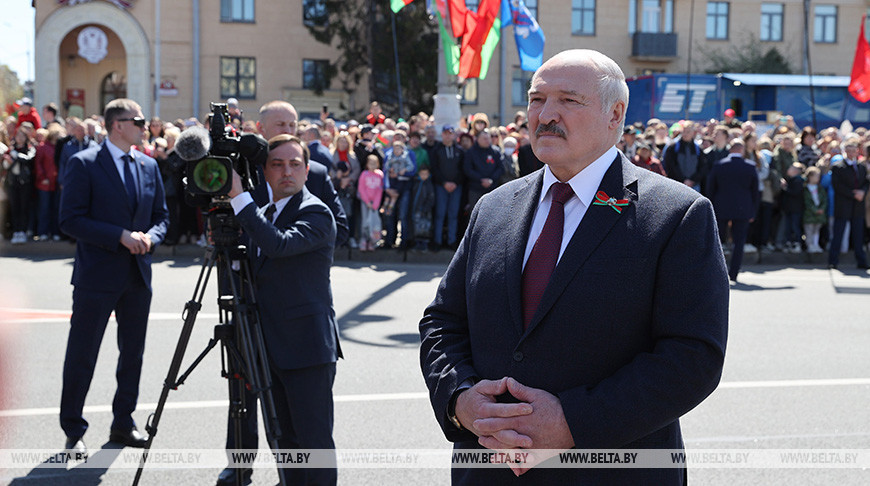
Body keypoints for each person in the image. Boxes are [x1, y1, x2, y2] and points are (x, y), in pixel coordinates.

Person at [419, 49, 728, 484]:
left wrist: (572, 422)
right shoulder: (494, 208)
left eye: (569, 100)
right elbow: (443, 322)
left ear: (615, 113)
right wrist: (460, 399)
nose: (546, 115)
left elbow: (692, 357)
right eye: (537, 99)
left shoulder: (676, 214)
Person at [217, 101, 348, 486]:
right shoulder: (264, 211)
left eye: (295, 164)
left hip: (306, 348)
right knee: (285, 442)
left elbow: (277, 245)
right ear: (265, 171)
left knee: (312, 443)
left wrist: (239, 196)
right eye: (277, 164)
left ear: (307, 171)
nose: (286, 171)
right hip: (267, 345)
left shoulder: (316, 212)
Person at [58, 98, 169, 456]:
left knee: (132, 354)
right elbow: (70, 219)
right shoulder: (84, 163)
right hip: (97, 274)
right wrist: (118, 235)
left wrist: (153, 236)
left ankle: (124, 421)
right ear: (117, 124)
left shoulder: (148, 165)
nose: (144, 125)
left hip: (137, 275)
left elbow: (163, 216)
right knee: (83, 353)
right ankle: (73, 428)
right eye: (137, 120)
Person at [707, 139, 760, 282]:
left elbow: (711, 188)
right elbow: (755, 192)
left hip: (721, 207)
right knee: (739, 241)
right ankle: (734, 272)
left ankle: (716, 271)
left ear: (730, 150)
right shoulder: (750, 167)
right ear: (742, 150)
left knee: (717, 240)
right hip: (743, 208)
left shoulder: (719, 165)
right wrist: (753, 211)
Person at [828, 139, 869, 270]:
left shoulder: (862, 167)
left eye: (854, 150)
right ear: (845, 151)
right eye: (849, 150)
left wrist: (862, 192)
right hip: (843, 204)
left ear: (857, 151)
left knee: (858, 235)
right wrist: (853, 194)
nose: (852, 153)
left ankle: (861, 260)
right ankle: (833, 261)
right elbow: (837, 186)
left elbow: (866, 182)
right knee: (838, 233)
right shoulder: (838, 167)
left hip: (857, 206)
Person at [431, 125, 465, 250]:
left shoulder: (460, 151)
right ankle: (437, 241)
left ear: (454, 135)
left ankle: (452, 241)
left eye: (450, 133)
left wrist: (455, 182)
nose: (448, 135)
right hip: (441, 186)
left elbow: (463, 169)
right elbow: (434, 169)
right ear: (442, 135)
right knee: (440, 214)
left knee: (453, 214)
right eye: (445, 133)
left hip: (456, 187)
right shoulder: (436, 150)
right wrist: (444, 182)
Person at [2, 129, 36, 244]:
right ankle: (16, 231)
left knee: (24, 207)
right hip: (12, 182)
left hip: (25, 182)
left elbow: (28, 159)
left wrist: (17, 156)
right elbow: (6, 165)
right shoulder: (10, 150)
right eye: (18, 136)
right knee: (14, 207)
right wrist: (8, 161)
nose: (20, 138)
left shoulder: (29, 149)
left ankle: (23, 231)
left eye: (22, 136)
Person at [663, 120, 703, 191]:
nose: (685, 134)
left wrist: (692, 180)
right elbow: (671, 165)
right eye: (684, 131)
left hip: (694, 185)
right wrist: (683, 180)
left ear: (693, 133)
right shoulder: (673, 147)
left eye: (688, 132)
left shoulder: (698, 148)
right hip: (677, 184)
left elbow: (702, 167)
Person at [357, 154, 384, 251]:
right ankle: (364, 240)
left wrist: (375, 204)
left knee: (374, 223)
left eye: (374, 163)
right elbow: (361, 189)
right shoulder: (364, 174)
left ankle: (373, 241)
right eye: (370, 163)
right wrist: (367, 201)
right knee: (365, 222)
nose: (372, 165)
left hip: (375, 204)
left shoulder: (380, 174)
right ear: (367, 164)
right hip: (365, 202)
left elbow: (379, 190)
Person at [803, 166, 827, 254]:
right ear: (810, 177)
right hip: (809, 214)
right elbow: (807, 202)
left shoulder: (820, 188)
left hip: (819, 214)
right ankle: (810, 245)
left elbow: (824, 200)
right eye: (816, 176)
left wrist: (821, 209)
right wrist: (814, 210)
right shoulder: (805, 189)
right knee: (809, 230)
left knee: (816, 231)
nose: (818, 178)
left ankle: (816, 244)